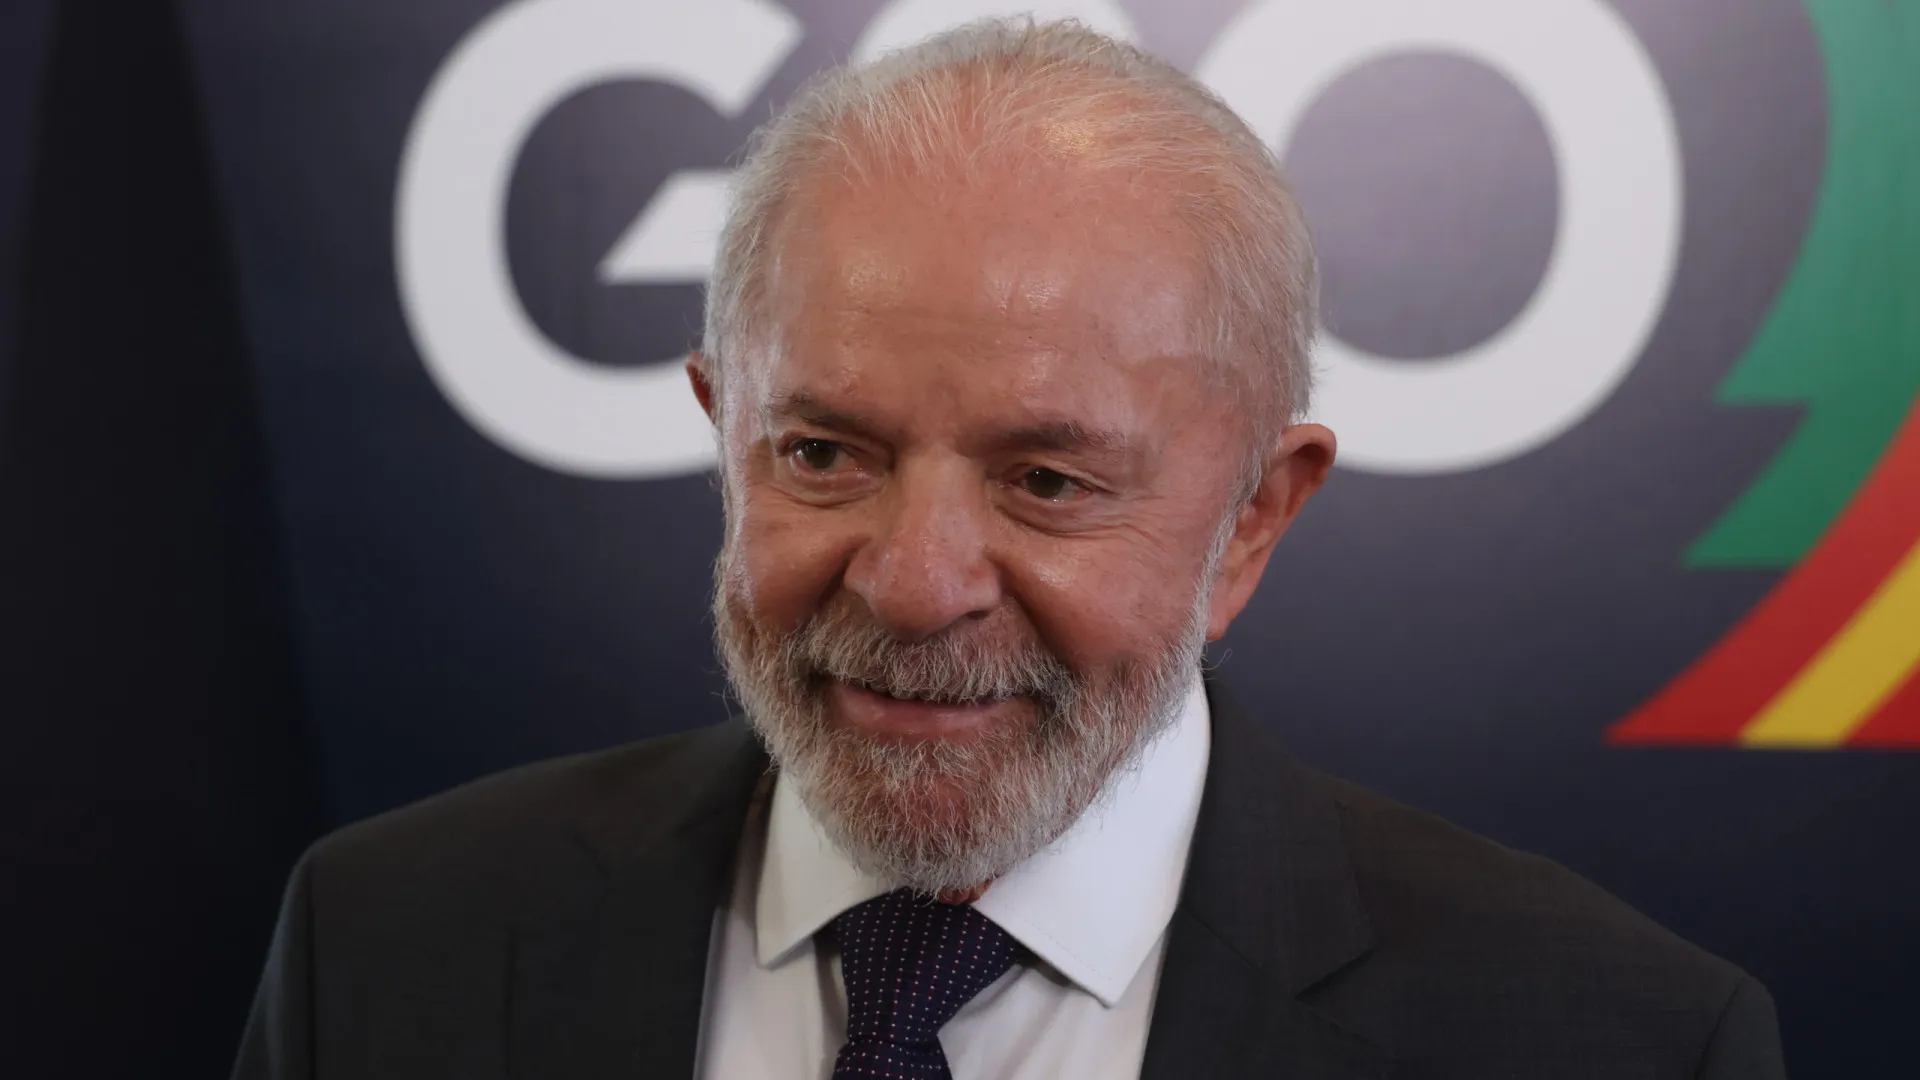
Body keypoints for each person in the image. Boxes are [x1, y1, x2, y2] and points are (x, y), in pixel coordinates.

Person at [234, 18, 1786, 1080]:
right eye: (823, 454)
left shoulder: (1615, 1042)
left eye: (1047, 481)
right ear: (723, 433)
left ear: (1255, 516)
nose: (916, 584)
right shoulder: (389, 944)